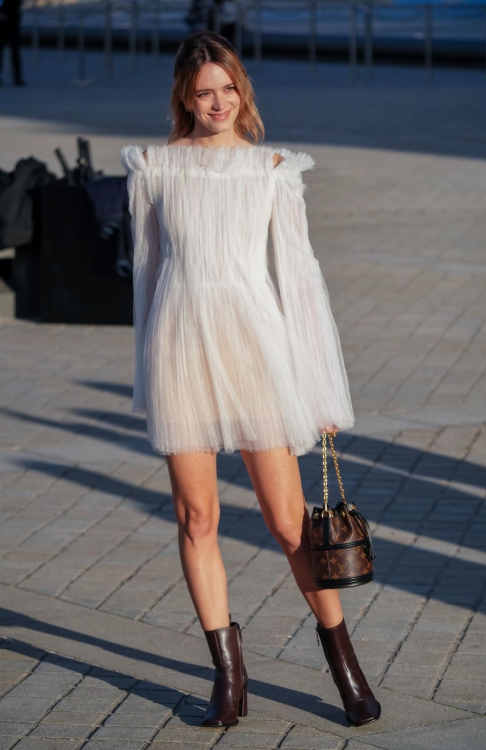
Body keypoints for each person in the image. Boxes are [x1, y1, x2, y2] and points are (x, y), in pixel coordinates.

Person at [121, 30, 381, 730]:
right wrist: (149, 374)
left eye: (227, 88)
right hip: (180, 352)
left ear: (242, 91)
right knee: (196, 518)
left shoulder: (271, 168)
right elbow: (146, 277)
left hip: (256, 351)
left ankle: (344, 664)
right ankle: (228, 677)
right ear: (184, 96)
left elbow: (299, 280)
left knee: (288, 523)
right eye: (203, 91)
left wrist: (320, 386)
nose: (217, 102)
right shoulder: (152, 167)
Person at [0, 0, 25, 86]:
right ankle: (17, 78)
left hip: (10, 25)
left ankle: (17, 77)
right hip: (9, 25)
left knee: (14, 52)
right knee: (14, 52)